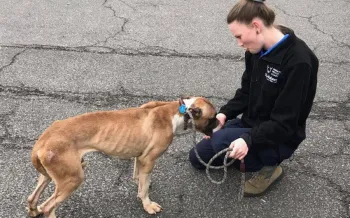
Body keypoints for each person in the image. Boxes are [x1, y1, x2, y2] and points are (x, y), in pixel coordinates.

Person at [189, 0, 318, 197]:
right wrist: (224, 114)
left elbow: (285, 123)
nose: (239, 43)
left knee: (221, 142)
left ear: (256, 26)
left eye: (239, 36)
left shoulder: (299, 62)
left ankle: (270, 166)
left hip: (280, 136)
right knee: (197, 158)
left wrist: (247, 139)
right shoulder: (255, 50)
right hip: (251, 123)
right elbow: (246, 92)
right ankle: (243, 153)